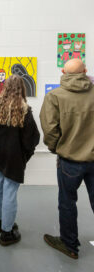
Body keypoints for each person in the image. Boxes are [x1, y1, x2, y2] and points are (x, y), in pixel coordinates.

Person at [40, 58, 94, 259]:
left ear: (63, 72)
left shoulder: (54, 96)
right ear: (85, 71)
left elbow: (50, 129)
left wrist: (57, 148)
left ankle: (69, 245)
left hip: (69, 160)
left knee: (67, 202)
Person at [0, 75, 40, 246]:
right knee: (9, 193)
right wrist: (26, 154)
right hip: (13, 158)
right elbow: (32, 139)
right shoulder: (24, 109)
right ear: (22, 88)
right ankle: (7, 233)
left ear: (5, 87)